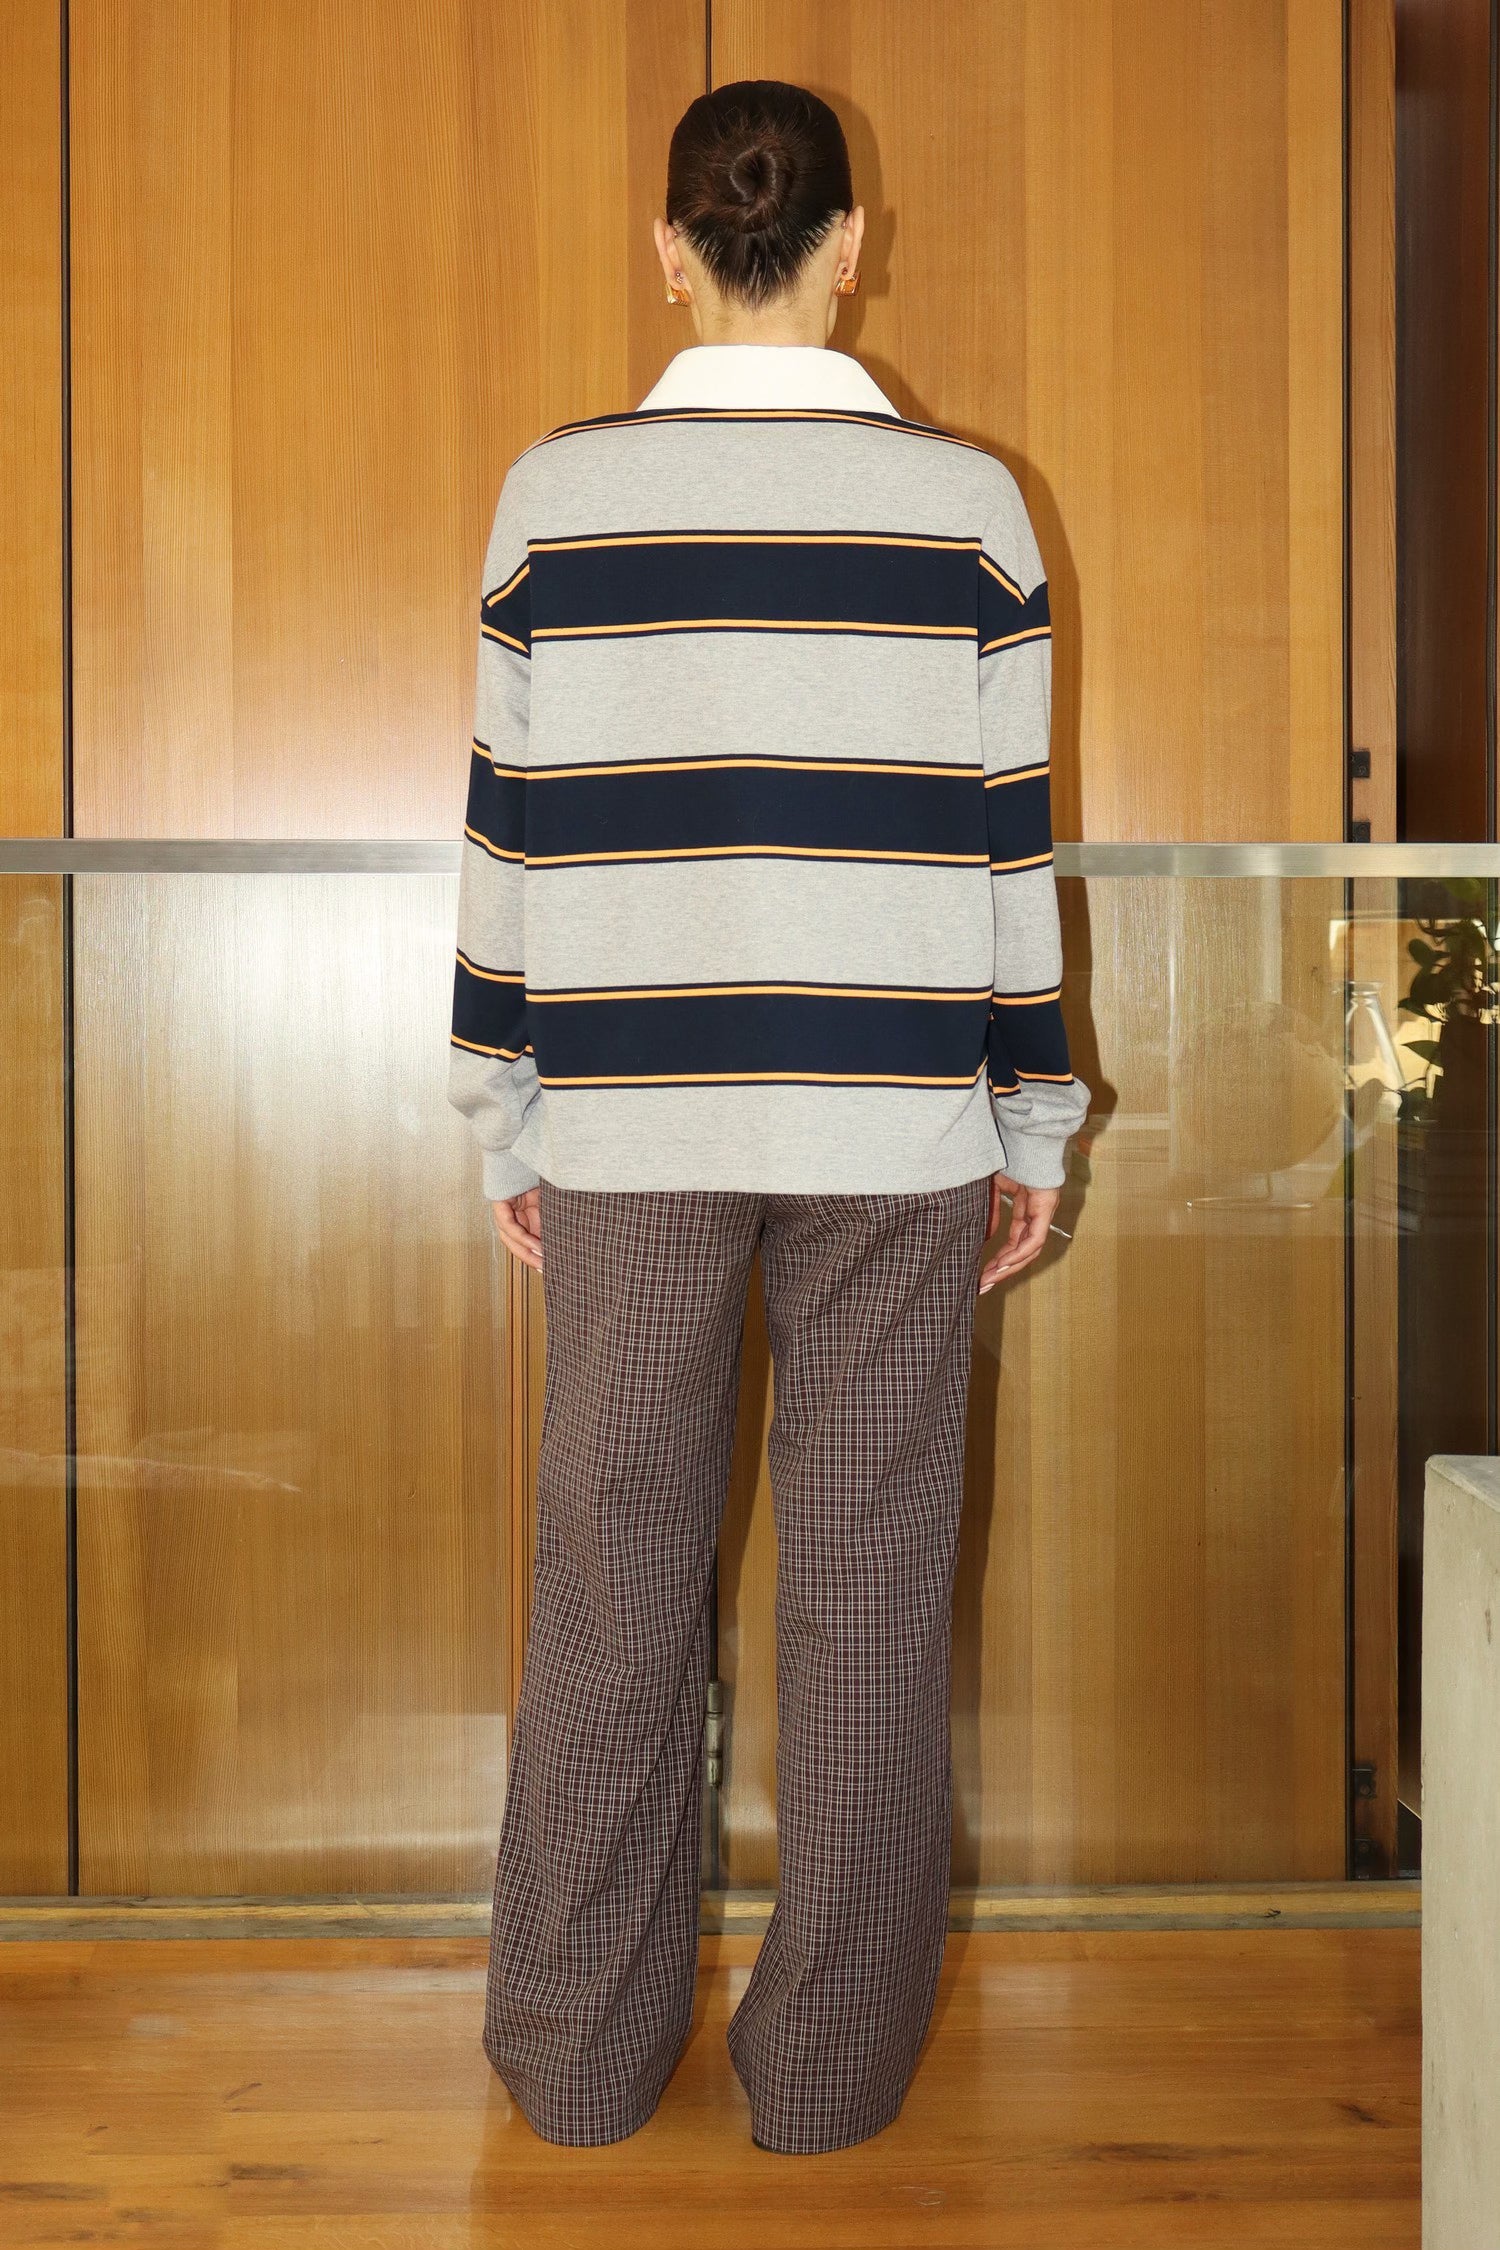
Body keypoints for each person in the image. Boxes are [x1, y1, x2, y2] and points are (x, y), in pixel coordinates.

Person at [448, 77, 1089, 2158]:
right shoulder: (973, 508)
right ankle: (826, 2078)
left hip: (631, 1125)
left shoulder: (552, 499)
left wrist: (508, 1112)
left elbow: (508, 839)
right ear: (848, 244)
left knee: (610, 1579)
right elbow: (1010, 852)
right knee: (872, 1591)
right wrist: (1035, 1120)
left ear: (670, 249)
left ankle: (576, 2058)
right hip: (896, 1127)